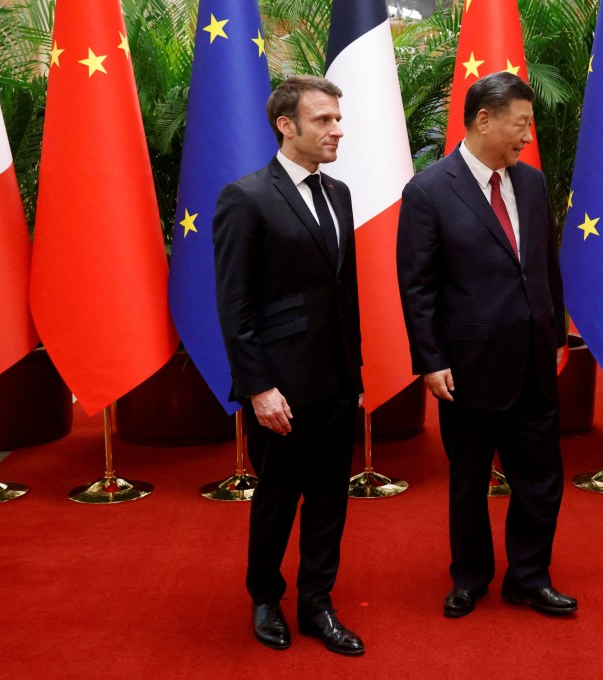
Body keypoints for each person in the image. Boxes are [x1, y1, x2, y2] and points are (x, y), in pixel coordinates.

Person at [396, 71, 576, 619]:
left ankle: (529, 576)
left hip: (533, 361)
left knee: (541, 479)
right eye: (520, 123)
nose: (527, 136)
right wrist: (429, 360)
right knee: (469, 481)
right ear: (484, 119)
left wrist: (556, 330)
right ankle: (470, 577)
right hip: (467, 367)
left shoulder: (532, 182)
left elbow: (545, 264)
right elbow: (417, 285)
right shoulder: (428, 190)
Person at [213, 75, 365, 655]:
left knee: (330, 499)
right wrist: (259, 388)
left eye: (336, 119)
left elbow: (344, 293)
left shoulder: (341, 194)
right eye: (323, 120)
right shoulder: (245, 197)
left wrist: (354, 376)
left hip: (334, 382)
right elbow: (235, 304)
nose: (337, 130)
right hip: (279, 387)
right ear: (287, 125)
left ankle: (317, 604)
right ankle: (265, 598)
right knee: (278, 498)